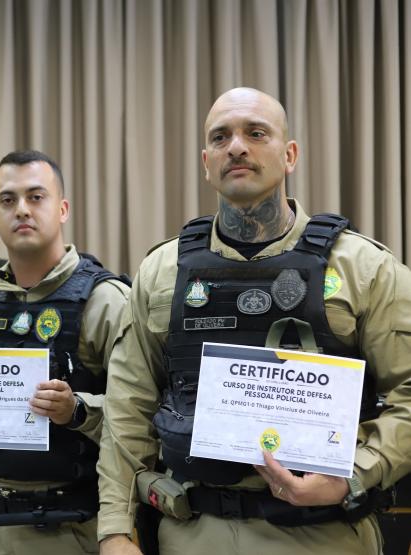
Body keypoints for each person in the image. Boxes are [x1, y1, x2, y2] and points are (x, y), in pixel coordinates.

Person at [96, 87, 411, 555]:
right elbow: (128, 406)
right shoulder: (163, 272)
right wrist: (115, 530)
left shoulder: (362, 267)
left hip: (324, 536)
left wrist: (356, 474)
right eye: (220, 137)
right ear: (206, 163)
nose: (237, 147)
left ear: (290, 155)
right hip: (191, 533)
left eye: (256, 133)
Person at [0, 150, 130, 554]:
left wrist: (76, 409)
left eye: (36, 197)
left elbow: (141, 416)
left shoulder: (105, 300)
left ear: (62, 209)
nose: (22, 210)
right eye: (8, 200)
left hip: (72, 525)